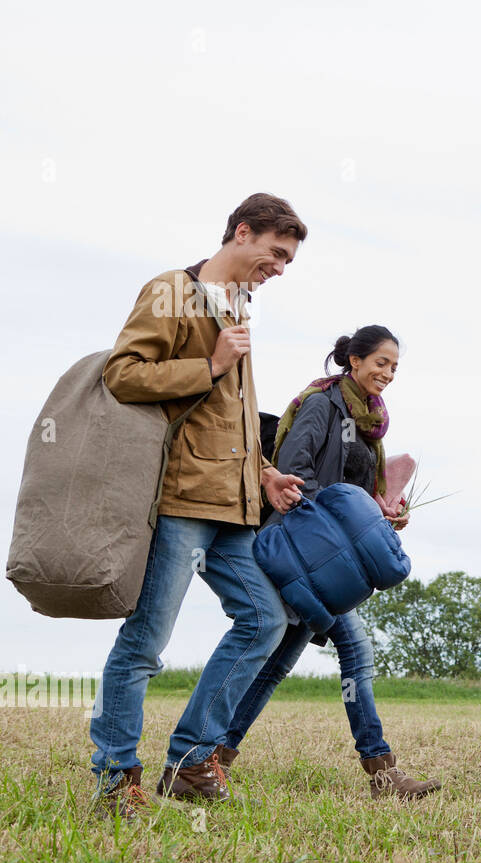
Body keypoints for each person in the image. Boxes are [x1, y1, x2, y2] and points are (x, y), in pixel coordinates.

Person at [91, 193, 308, 819]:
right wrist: (209, 362)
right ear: (242, 232)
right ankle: (114, 776)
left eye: (288, 260)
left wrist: (264, 473)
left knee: (266, 621)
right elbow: (122, 373)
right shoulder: (171, 292)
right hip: (183, 498)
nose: (280, 268)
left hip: (234, 504)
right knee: (145, 642)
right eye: (276, 253)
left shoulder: (239, 304)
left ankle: (188, 761)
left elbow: (228, 416)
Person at [222, 325, 441, 800]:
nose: (388, 373)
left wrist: (380, 514)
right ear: (355, 361)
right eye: (381, 363)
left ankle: (214, 756)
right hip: (302, 551)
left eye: (395, 367)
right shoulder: (321, 405)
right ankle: (384, 774)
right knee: (354, 651)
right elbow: (294, 475)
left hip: (328, 562)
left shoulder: (367, 422)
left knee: (275, 664)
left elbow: (355, 494)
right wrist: (355, 518)